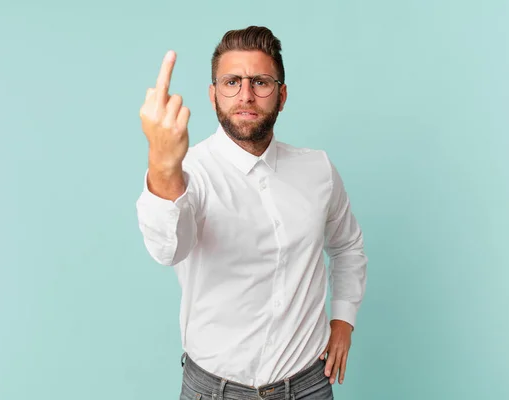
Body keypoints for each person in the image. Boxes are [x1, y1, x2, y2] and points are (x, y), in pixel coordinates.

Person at [136, 26, 367, 400]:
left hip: (308, 385)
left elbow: (347, 246)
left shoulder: (317, 169)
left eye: (260, 82)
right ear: (213, 95)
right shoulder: (188, 172)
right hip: (213, 391)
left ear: (282, 95)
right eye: (231, 82)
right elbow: (167, 249)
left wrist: (343, 320)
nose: (246, 95)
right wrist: (163, 166)